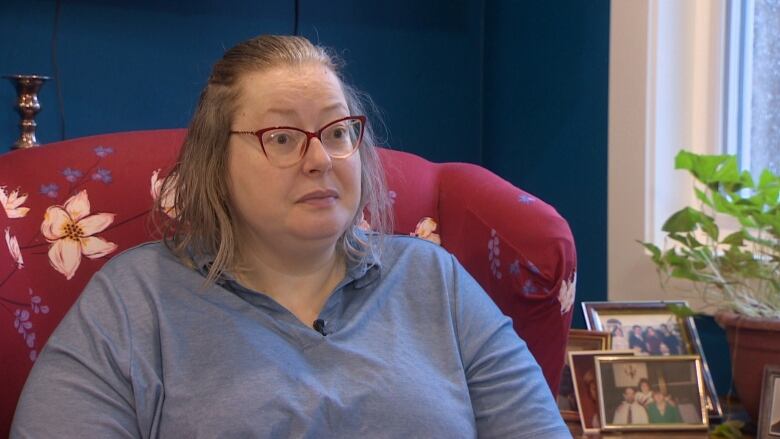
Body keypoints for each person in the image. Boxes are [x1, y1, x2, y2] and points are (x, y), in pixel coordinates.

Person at [10, 35, 569, 438]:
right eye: (281, 138)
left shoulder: (434, 280)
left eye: (338, 131)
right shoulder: (135, 300)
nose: (320, 159)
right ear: (215, 162)